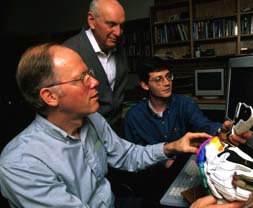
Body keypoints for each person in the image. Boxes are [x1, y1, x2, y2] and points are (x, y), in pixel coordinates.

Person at [0, 43, 214, 208]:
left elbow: (126, 156)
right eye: (81, 78)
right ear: (50, 96)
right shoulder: (21, 164)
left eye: (90, 73)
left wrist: (172, 147)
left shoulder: (92, 119)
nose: (95, 82)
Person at [123, 56, 252, 203]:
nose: (167, 83)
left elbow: (204, 125)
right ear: (145, 85)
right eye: (158, 79)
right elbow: (132, 157)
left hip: (184, 170)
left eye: (168, 76)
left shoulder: (184, 104)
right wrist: (164, 163)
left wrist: (220, 132)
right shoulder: (134, 117)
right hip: (153, 181)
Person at [64, 0, 128, 135]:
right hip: (85, 133)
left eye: (121, 26)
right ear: (92, 21)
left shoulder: (119, 46)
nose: (118, 32)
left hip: (115, 132)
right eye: (111, 24)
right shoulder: (69, 52)